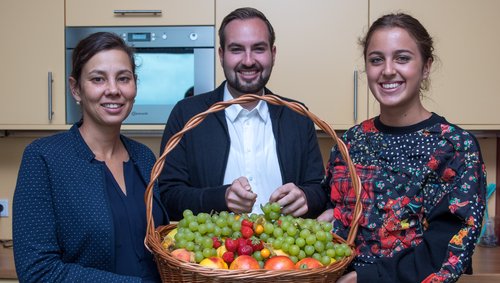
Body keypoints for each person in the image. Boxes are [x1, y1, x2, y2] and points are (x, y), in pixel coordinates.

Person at [318, 13, 487, 283]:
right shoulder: (350, 141)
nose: (387, 70)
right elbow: (333, 213)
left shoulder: (454, 148)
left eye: (402, 58)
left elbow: (448, 253)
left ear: (427, 66)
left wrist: (364, 278)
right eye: (376, 59)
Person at [13, 32, 169, 282]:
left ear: (135, 85)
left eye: (123, 78)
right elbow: (37, 272)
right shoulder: (44, 158)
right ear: (76, 89)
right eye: (98, 79)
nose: (114, 90)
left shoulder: (144, 157)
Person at [158, 7, 328, 221]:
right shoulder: (187, 114)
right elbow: (167, 196)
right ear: (221, 55)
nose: (248, 61)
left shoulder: (297, 115)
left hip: (283, 253)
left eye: (258, 49)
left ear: (273, 54)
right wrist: (221, 198)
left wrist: (306, 197)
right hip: (212, 254)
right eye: (236, 49)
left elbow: (319, 190)